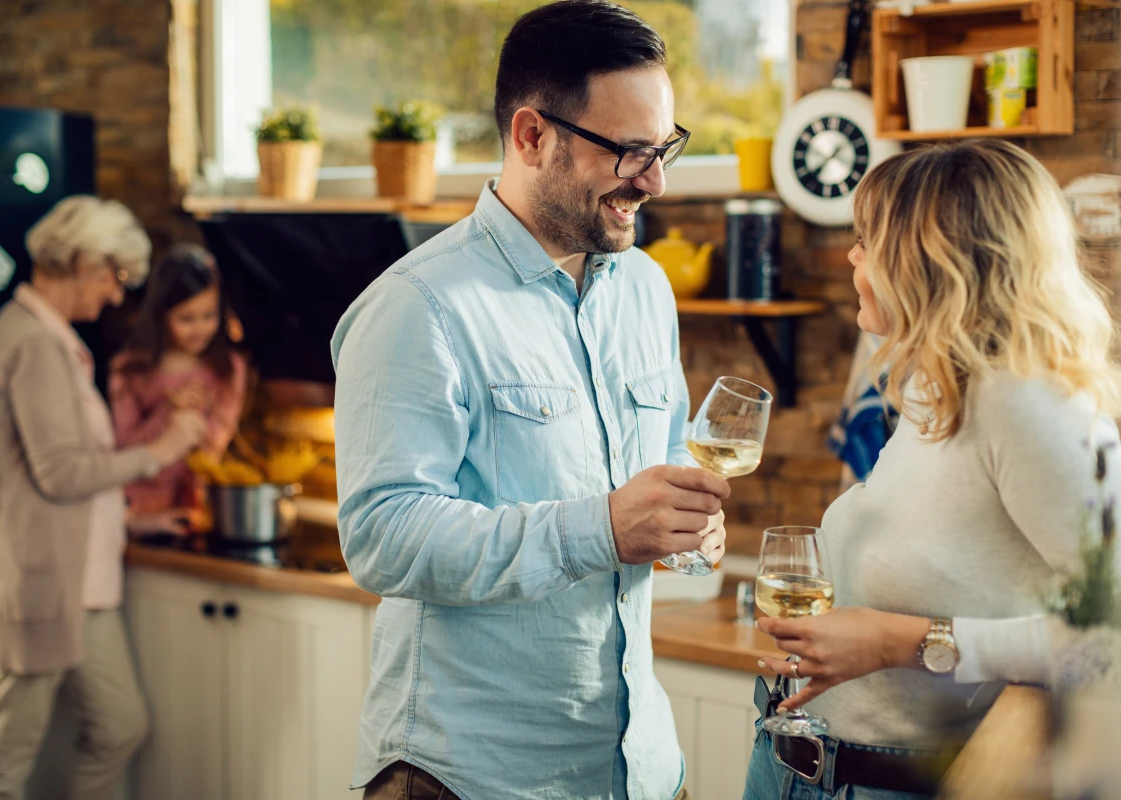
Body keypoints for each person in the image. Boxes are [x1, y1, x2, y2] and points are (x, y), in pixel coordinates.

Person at [332, 2, 728, 798]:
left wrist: (688, 516)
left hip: (641, 768)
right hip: (471, 776)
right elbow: (381, 535)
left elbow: (664, 451)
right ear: (530, 136)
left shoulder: (647, 290)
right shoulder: (418, 305)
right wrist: (603, 527)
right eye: (628, 151)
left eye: (664, 149)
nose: (653, 180)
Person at [743, 139, 1121, 799]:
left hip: (891, 783)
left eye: (870, 240)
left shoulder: (1027, 401)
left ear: (932, 260)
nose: (853, 257)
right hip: (795, 762)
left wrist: (905, 641)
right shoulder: (933, 385)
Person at [0, 196, 207, 800]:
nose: (117, 295)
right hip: (39, 580)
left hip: (83, 581)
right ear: (78, 261)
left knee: (120, 726)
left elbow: (54, 478)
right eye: (115, 276)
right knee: (2, 766)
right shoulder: (32, 343)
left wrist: (132, 519)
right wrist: (165, 446)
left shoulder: (53, 339)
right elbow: (60, 472)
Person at [110, 242, 248, 527]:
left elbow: (214, 452)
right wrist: (169, 416)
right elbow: (122, 453)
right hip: (131, 513)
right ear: (161, 315)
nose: (200, 329)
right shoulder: (129, 367)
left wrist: (200, 417)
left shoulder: (229, 369)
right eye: (186, 319)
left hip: (194, 510)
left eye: (209, 316)